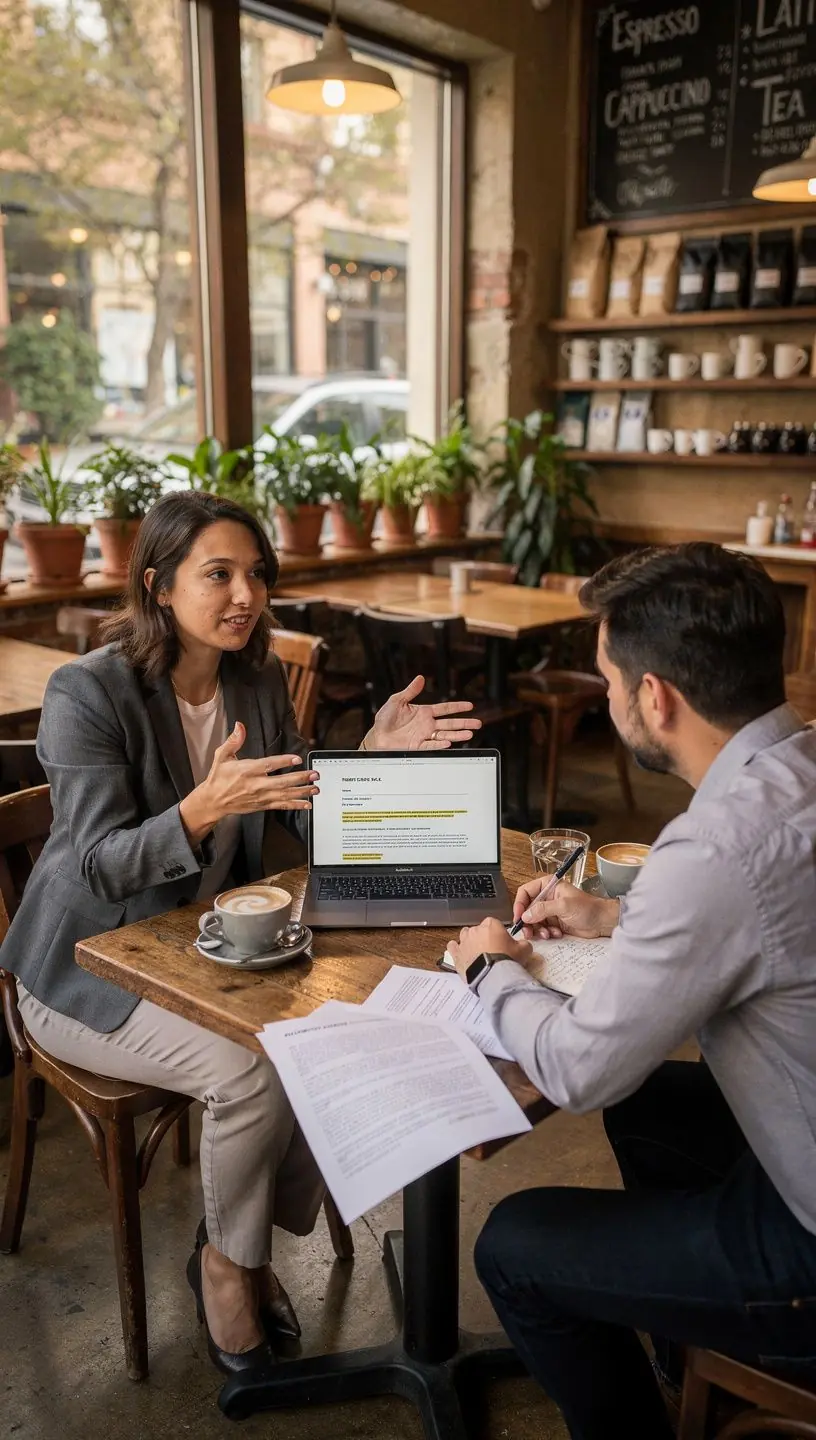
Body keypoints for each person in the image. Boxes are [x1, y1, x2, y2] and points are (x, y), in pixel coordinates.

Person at [0, 490, 480, 1378]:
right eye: (217, 573)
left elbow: (292, 799)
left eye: (255, 573)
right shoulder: (87, 692)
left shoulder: (253, 680)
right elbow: (98, 866)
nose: (244, 594)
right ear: (158, 585)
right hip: (82, 971)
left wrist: (371, 757)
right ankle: (230, 1267)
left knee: (330, 1034)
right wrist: (196, 810)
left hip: (205, 948)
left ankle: (237, 1237)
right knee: (255, 1070)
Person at [447, 542, 816, 1440]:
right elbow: (761, 913)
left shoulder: (714, 847)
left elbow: (578, 1070)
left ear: (655, 697)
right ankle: (683, 1331)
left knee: (513, 1245)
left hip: (808, 1234)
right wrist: (609, 917)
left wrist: (491, 968)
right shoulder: (797, 769)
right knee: (649, 1105)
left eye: (608, 677)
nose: (607, 697)